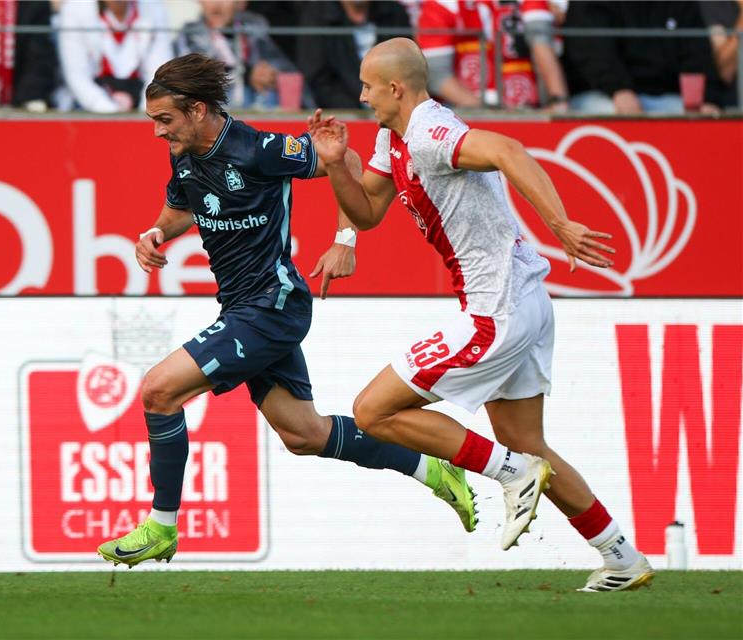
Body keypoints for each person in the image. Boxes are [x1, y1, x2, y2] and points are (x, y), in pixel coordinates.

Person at [97, 53, 477, 567]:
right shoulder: (184, 153)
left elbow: (347, 163)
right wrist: (158, 230)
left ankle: (162, 527)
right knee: (304, 434)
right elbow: (184, 204)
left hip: (270, 307)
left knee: (159, 391)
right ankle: (431, 470)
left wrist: (346, 240)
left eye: (165, 120)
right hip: (243, 308)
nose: (158, 132)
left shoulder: (257, 148)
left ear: (198, 110)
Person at [308, 38, 654, 592]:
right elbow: (368, 210)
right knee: (529, 445)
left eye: (369, 86)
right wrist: (334, 168)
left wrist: (560, 223)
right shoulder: (390, 135)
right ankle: (620, 555)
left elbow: (509, 150)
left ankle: (510, 475)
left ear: (396, 88)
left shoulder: (427, 130)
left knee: (372, 411)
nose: (362, 95)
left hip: (498, 310)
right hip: (524, 302)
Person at [562, 0, 718, 114]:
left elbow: (697, 57)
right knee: (611, 112)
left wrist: (704, 100)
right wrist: (619, 89)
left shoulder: (682, 4)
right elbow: (591, 50)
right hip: (602, 94)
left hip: (667, 98)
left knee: (709, 117)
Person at [416, 0, 567, 110]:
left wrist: (559, 101)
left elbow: (542, 43)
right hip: (465, 111)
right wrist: (489, 112)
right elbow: (438, 77)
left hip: (526, 106)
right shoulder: (442, 4)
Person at [174, 0, 300, 110]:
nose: (217, 4)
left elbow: (288, 71)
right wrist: (248, 74)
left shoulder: (255, 34)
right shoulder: (188, 37)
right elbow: (193, 79)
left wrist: (272, 74)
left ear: (241, 2)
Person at [58, 0, 173, 113]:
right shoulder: (75, 9)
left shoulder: (153, 7)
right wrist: (109, 112)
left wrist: (145, 113)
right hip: (90, 107)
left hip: (140, 98)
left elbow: (159, 72)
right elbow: (77, 76)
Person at [297, 0, 410, 109]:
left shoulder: (394, 12)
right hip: (343, 111)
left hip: (392, 105)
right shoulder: (317, 14)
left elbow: (407, 67)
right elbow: (317, 76)